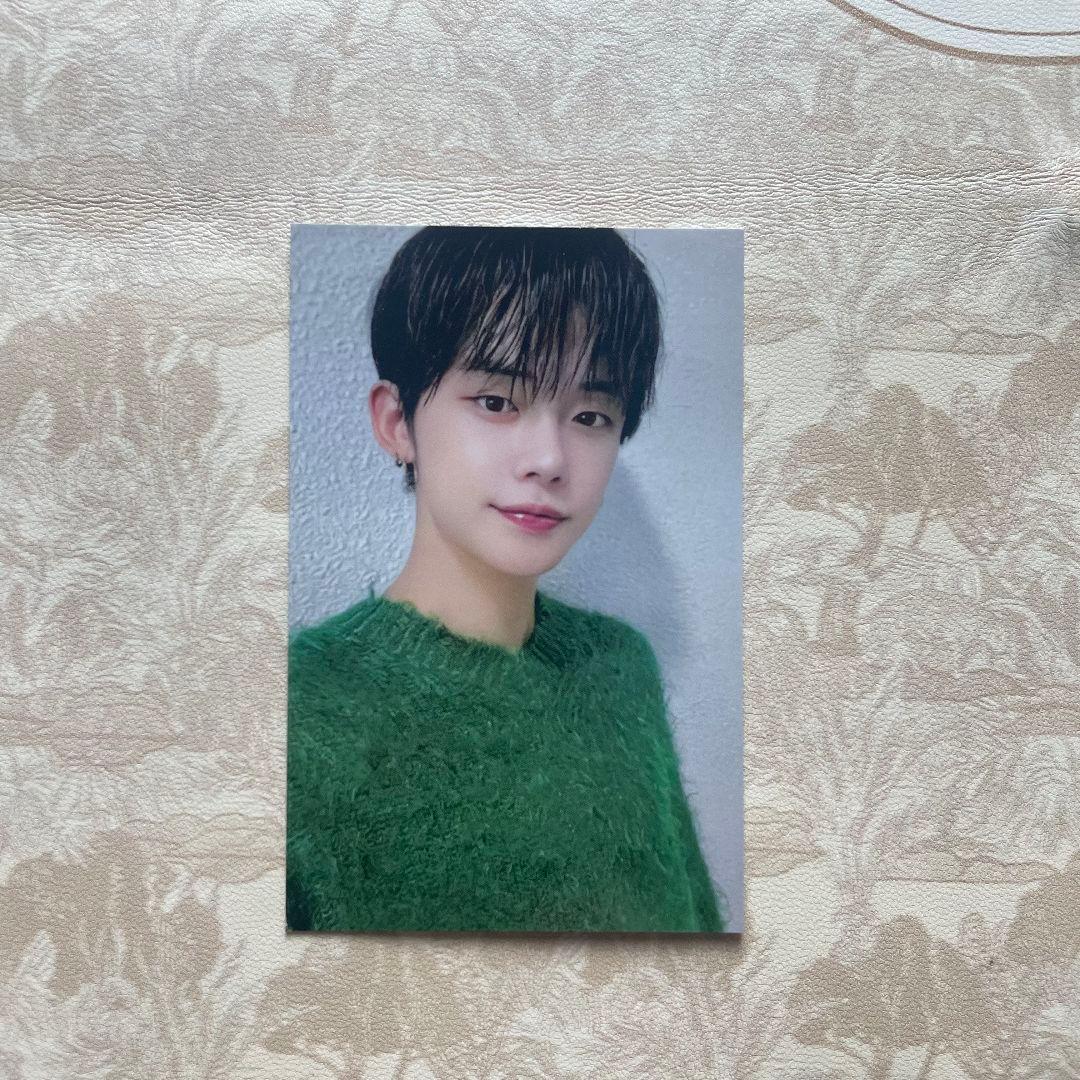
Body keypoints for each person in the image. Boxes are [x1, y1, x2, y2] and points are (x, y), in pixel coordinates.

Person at [287, 226, 727, 932]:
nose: (548, 459)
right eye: (497, 401)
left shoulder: (620, 670)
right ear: (398, 423)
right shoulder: (302, 711)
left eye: (590, 415)